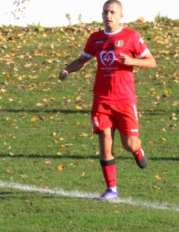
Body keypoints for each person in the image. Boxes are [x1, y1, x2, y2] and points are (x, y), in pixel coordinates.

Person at [59, 0, 156, 201]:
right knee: (105, 142)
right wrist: (67, 69)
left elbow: (151, 62)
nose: (108, 16)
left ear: (121, 15)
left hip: (124, 100)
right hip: (102, 99)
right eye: (105, 12)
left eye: (112, 12)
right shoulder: (95, 39)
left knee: (129, 143)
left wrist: (132, 61)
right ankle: (112, 190)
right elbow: (82, 60)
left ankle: (137, 150)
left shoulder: (132, 37)